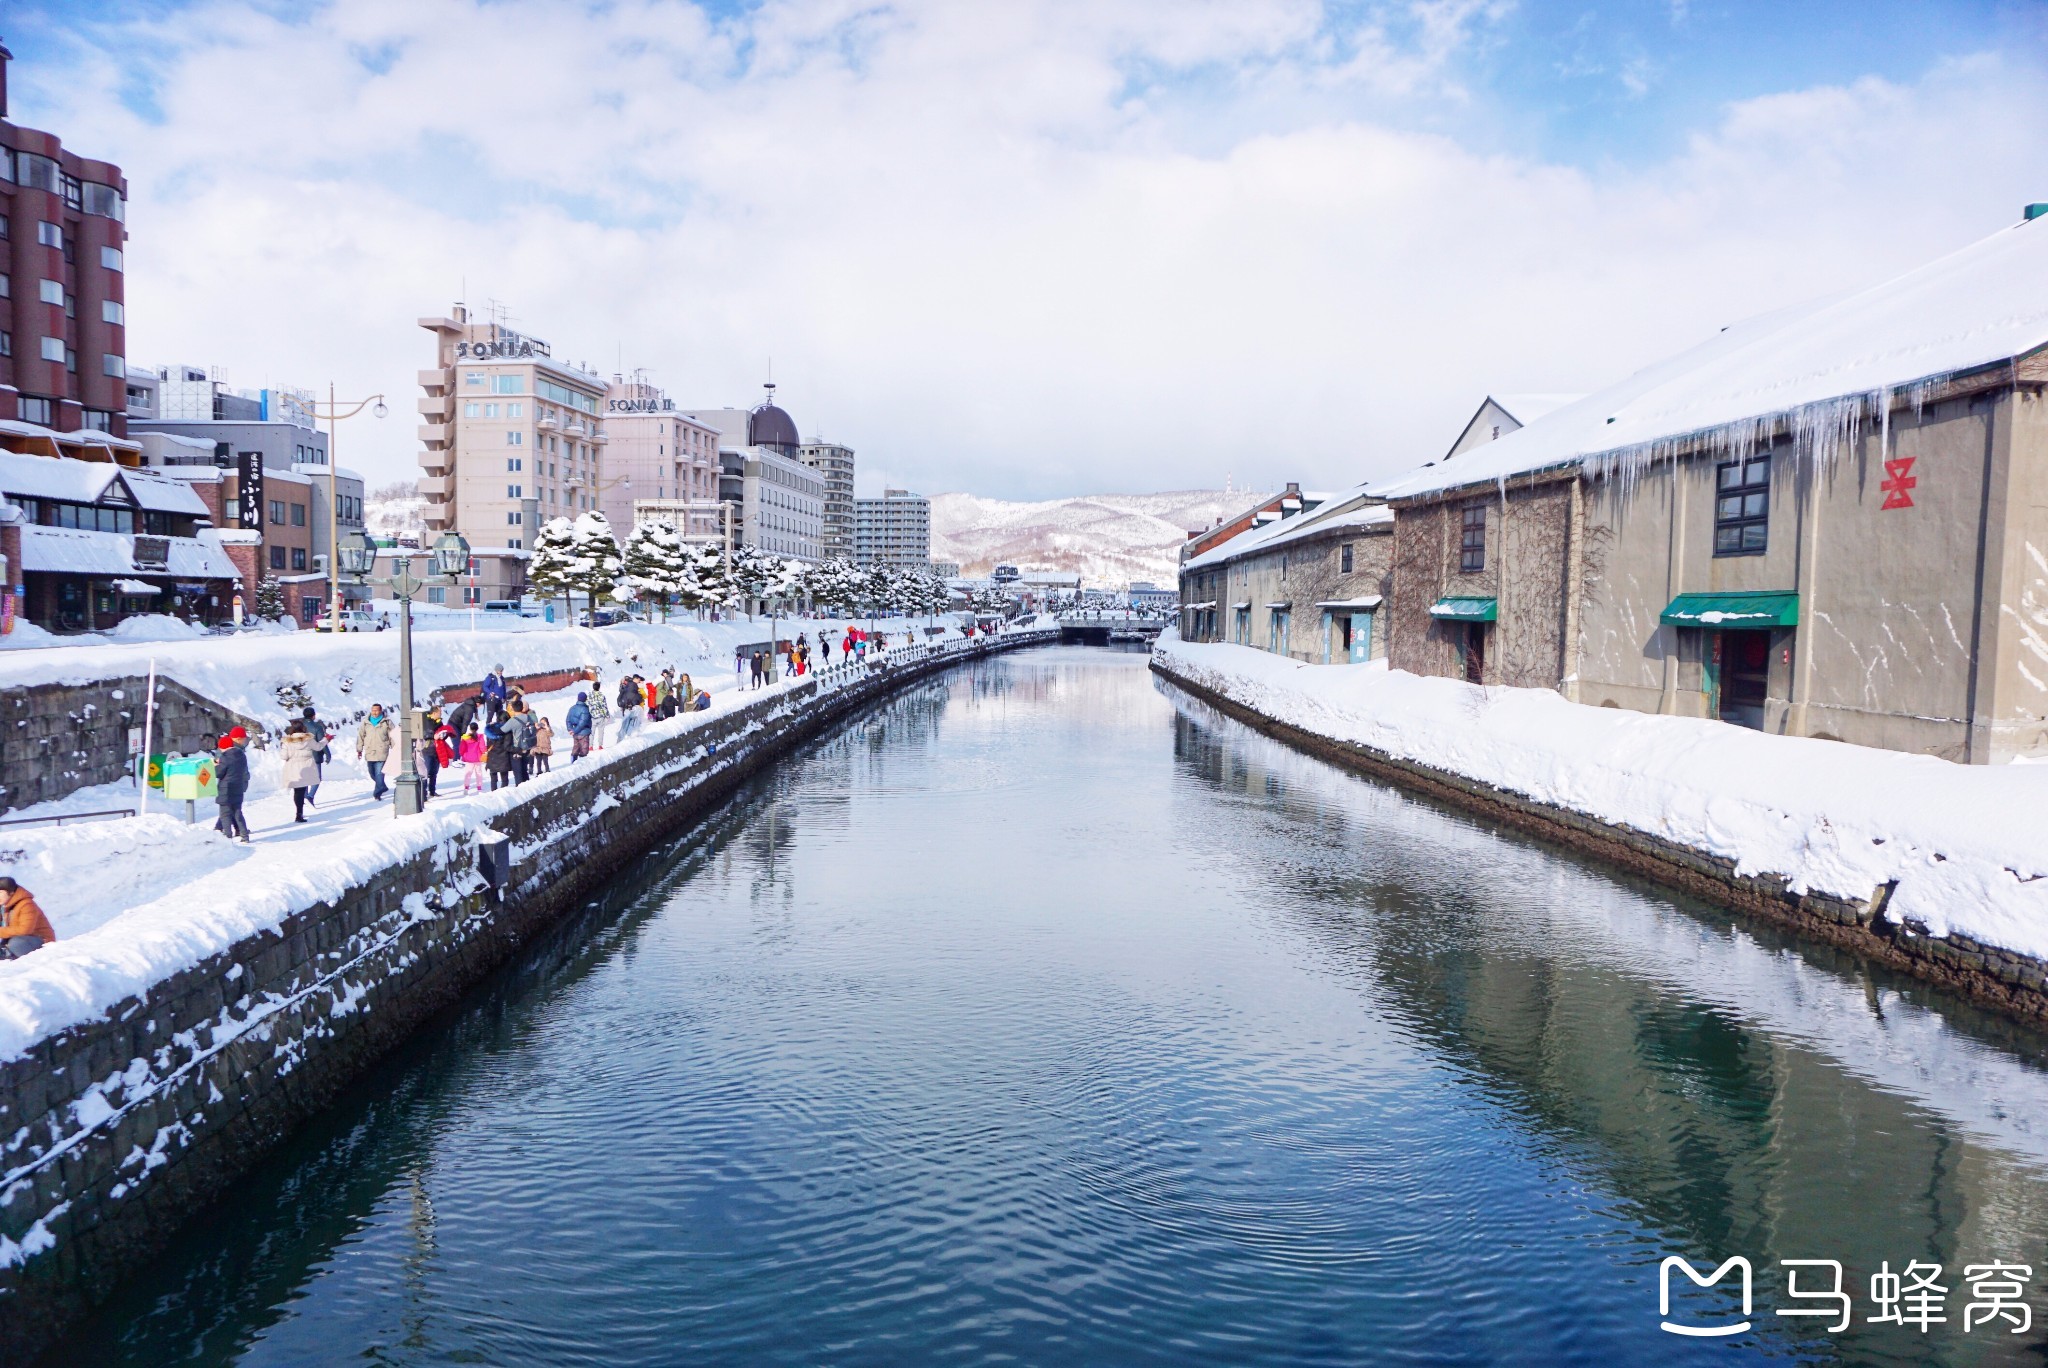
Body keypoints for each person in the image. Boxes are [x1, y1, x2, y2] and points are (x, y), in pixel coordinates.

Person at [0, 877, 55, 958]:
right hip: (17, 939)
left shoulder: (27, 904)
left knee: (16, 944)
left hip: (41, 940)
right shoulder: (4, 906)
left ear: (11, 892)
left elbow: (25, 929)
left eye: (0, 893)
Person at [213, 733, 251, 843]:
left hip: (226, 789)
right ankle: (244, 836)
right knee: (237, 813)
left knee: (225, 814)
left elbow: (219, 773)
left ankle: (227, 838)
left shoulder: (225, 757)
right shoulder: (241, 755)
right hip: (238, 788)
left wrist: (216, 766)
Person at [282, 719, 320, 822]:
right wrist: (326, 740)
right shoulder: (308, 739)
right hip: (306, 767)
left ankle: (298, 813)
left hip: (293, 768)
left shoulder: (287, 741)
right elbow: (318, 747)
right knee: (302, 790)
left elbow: (283, 756)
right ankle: (300, 813)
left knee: (297, 791)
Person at [357, 704, 394, 801]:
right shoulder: (366, 722)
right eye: (373, 710)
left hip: (382, 751)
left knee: (379, 773)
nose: (374, 712)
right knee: (372, 773)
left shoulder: (387, 722)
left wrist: (396, 748)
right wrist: (359, 749)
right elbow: (361, 735)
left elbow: (393, 735)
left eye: (376, 710)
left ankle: (377, 793)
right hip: (370, 751)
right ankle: (382, 786)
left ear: (381, 711)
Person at [302, 705, 329, 806]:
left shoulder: (300, 726)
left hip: (302, 756)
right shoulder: (317, 727)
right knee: (317, 778)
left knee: (304, 778)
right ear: (314, 716)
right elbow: (321, 742)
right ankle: (310, 796)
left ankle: (304, 796)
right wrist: (328, 754)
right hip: (315, 755)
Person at [507, 701, 537, 784]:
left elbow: (503, 730)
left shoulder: (513, 720)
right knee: (524, 769)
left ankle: (520, 787)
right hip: (527, 745)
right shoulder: (530, 717)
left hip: (516, 747)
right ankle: (527, 785)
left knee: (518, 771)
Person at [485, 715, 514, 791]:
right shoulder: (507, 731)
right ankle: (503, 793)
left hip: (492, 758)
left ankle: (493, 793)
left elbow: (487, 745)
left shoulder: (490, 730)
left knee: (493, 779)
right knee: (504, 779)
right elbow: (507, 746)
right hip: (503, 758)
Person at [459, 724, 487, 793]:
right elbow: (482, 747)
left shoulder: (465, 738)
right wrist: (484, 752)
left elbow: (461, 748)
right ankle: (479, 787)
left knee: (468, 773)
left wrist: (462, 754)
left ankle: (466, 787)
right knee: (478, 772)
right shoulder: (480, 737)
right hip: (477, 757)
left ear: (470, 729)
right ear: (477, 728)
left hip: (468, 758)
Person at [566, 692, 593, 761]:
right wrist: (574, 730)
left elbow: (568, 720)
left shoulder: (572, 708)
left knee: (576, 748)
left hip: (575, 733)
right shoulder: (585, 709)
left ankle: (572, 762)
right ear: (585, 699)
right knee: (584, 750)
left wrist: (570, 729)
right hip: (583, 732)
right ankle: (582, 766)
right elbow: (583, 722)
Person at [587, 678, 611, 750]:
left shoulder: (589, 696)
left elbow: (587, 705)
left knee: (591, 732)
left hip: (592, 716)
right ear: (599, 687)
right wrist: (607, 715)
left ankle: (590, 746)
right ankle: (600, 745)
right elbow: (604, 706)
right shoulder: (601, 696)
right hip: (600, 716)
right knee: (601, 731)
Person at [616, 674, 642, 738]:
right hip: (629, 707)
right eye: (638, 679)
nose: (639, 681)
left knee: (625, 722)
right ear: (635, 679)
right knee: (627, 723)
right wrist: (639, 697)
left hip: (625, 706)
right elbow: (633, 697)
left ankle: (622, 737)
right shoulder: (633, 686)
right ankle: (625, 737)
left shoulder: (628, 686)